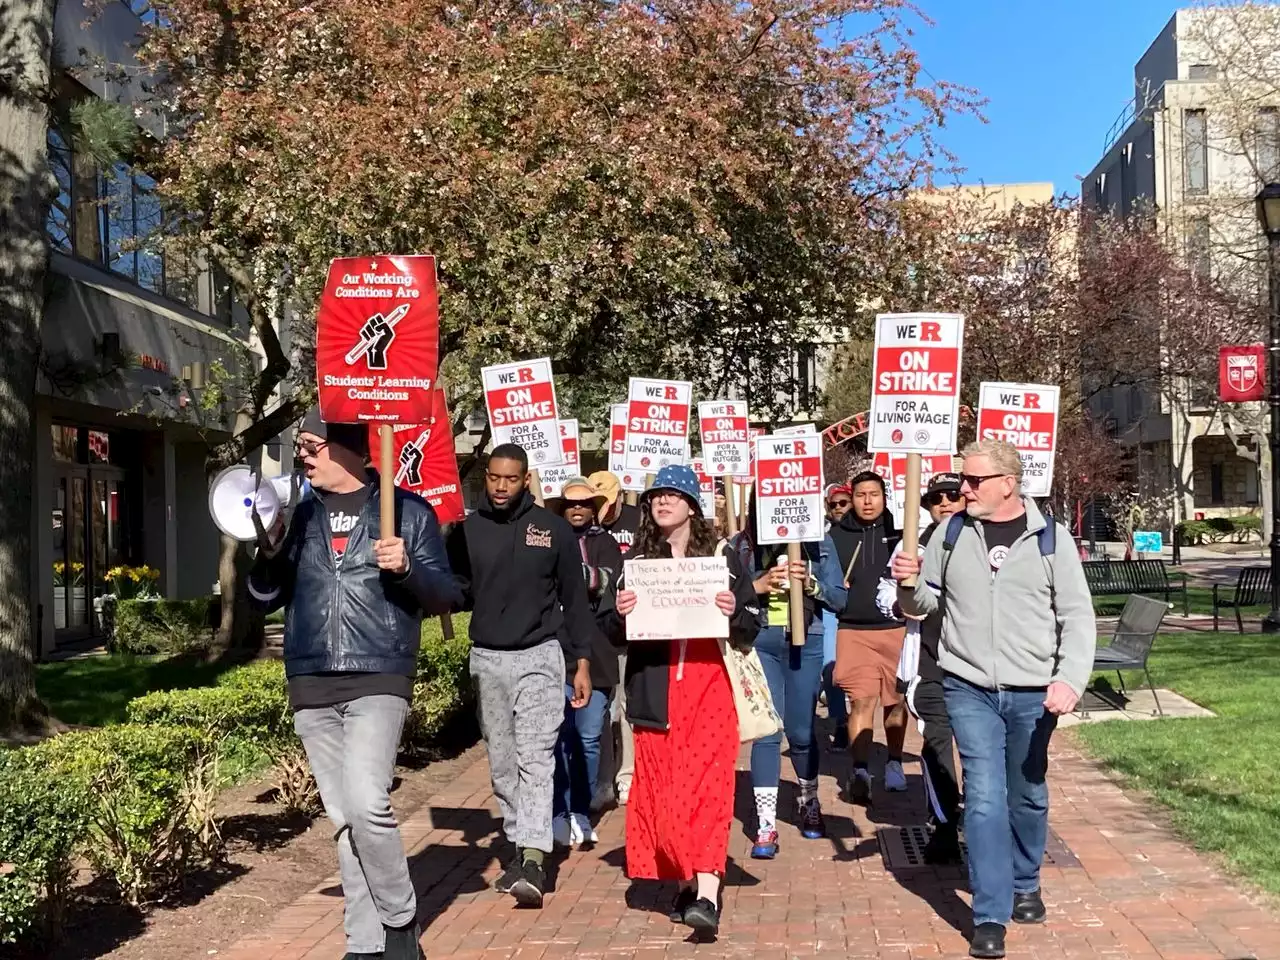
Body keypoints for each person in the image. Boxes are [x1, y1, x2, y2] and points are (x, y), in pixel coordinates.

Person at [248, 410, 460, 960]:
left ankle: (400, 920)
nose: (304, 456)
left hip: (379, 672)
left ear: (350, 451)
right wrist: (268, 552)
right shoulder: (293, 515)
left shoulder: (407, 511)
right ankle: (363, 943)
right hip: (311, 679)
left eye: (313, 446)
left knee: (367, 804)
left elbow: (446, 596)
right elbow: (263, 598)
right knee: (344, 818)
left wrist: (408, 568)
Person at [891, 439, 1096, 960]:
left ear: (1008, 483)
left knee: (1025, 793)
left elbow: (1076, 615)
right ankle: (989, 914)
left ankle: (1026, 880)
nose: (963, 488)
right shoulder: (950, 532)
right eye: (964, 479)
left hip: (1034, 692)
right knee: (982, 797)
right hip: (967, 685)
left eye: (974, 481)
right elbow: (921, 604)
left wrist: (1069, 678)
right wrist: (908, 585)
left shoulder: (1052, 540)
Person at [609, 465, 760, 940]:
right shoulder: (637, 560)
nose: (662, 502)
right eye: (656, 495)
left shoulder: (722, 556)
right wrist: (619, 612)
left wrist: (735, 612)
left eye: (674, 494)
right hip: (654, 691)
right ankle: (686, 880)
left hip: (709, 689)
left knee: (709, 790)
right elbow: (612, 633)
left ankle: (709, 894)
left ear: (693, 504)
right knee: (665, 793)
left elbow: (752, 625)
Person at [445, 444, 597, 908]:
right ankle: (518, 845)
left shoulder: (552, 531)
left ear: (526, 479)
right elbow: (457, 590)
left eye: (511, 479)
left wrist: (582, 663)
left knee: (535, 757)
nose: (501, 487)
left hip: (540, 656)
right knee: (503, 765)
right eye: (493, 478)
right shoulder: (466, 531)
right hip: (488, 659)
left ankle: (535, 856)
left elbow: (575, 599)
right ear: (486, 477)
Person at [731, 503, 847, 858]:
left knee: (800, 731)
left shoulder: (819, 542)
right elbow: (725, 599)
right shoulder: (740, 544)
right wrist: (757, 585)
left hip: (805, 640)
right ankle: (766, 823)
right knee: (767, 730)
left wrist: (811, 584)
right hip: (761, 640)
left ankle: (808, 799)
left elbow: (840, 598)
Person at [877, 471, 966, 864]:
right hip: (929, 665)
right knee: (936, 748)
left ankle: (979, 822)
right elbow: (885, 592)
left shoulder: (980, 542)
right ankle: (944, 825)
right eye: (935, 499)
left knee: (979, 752)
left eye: (952, 496)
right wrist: (901, 600)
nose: (944, 504)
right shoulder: (912, 544)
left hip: (976, 666)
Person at [550, 476, 625, 847]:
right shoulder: (548, 539)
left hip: (596, 655)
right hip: (555, 653)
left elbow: (605, 581)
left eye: (584, 503)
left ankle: (582, 808)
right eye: (570, 504)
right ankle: (559, 811)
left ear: (594, 508)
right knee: (559, 738)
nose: (577, 509)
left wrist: (564, 571)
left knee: (589, 736)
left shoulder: (606, 544)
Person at [828, 471, 907, 803]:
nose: (867, 501)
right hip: (854, 629)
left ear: (884, 497)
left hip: (896, 629)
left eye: (874, 494)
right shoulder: (835, 535)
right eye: (860, 495)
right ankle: (860, 769)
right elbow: (825, 575)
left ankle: (894, 762)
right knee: (861, 701)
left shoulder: (901, 531)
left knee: (896, 702)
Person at [586, 470, 642, 807]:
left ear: (620, 497)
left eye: (606, 503)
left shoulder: (638, 521)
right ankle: (603, 780)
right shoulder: (589, 531)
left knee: (626, 706)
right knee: (603, 710)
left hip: (631, 629)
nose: (601, 510)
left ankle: (628, 776)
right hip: (599, 628)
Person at [822, 484, 853, 750]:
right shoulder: (823, 536)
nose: (839, 509)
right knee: (830, 667)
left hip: (859, 611)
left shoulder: (864, 533)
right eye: (834, 505)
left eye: (844, 503)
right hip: (831, 609)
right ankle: (840, 721)